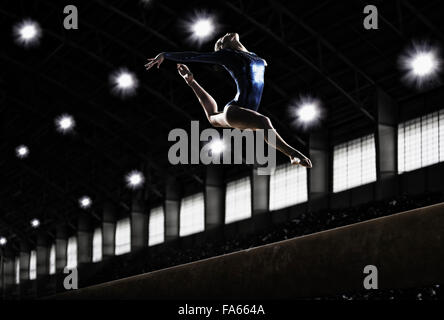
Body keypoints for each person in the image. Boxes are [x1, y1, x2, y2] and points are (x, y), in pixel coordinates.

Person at [145, 32, 312, 167]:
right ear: (222, 48)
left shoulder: (255, 56)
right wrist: (165, 55)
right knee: (264, 121)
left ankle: (291, 154)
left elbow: (212, 116)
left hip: (244, 114)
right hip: (235, 110)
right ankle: (293, 154)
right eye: (221, 40)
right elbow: (194, 56)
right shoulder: (226, 55)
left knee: (214, 118)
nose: (225, 35)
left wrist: (191, 81)